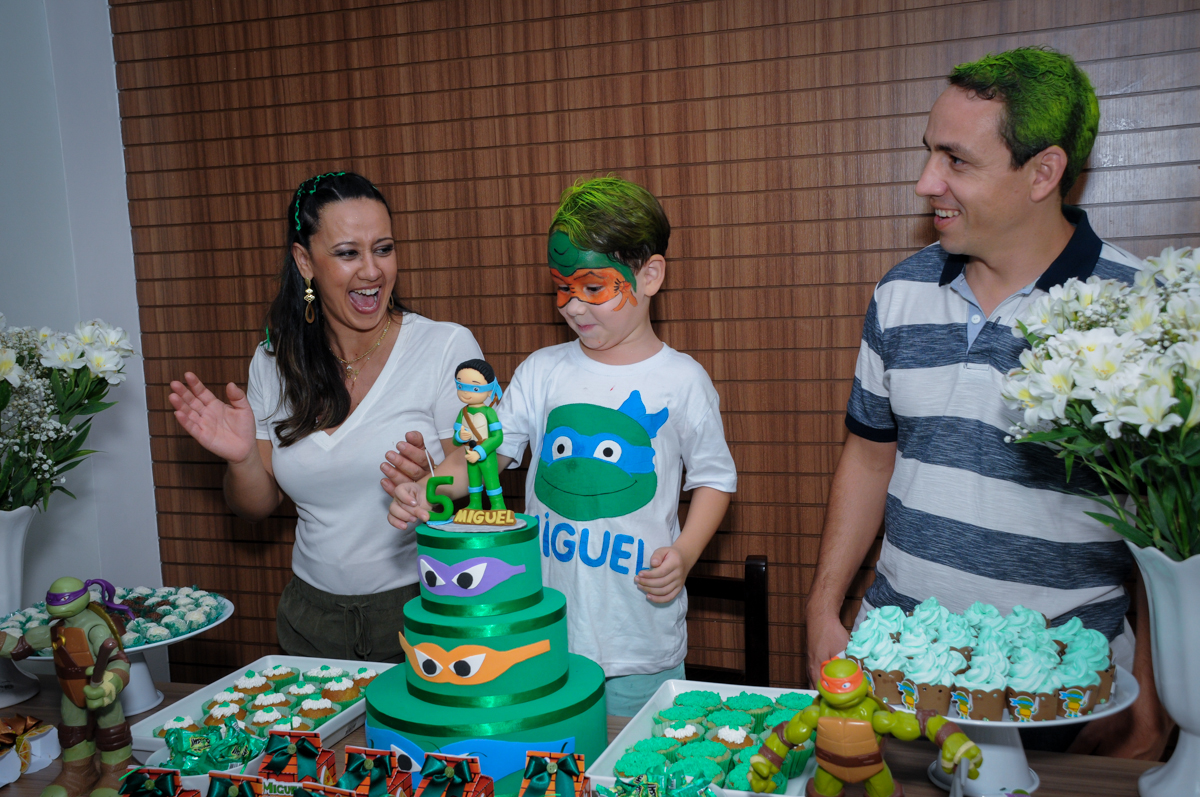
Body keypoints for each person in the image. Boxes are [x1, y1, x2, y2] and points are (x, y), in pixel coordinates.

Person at [805, 47, 1172, 757]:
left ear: (1044, 172)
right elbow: (869, 456)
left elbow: (1167, 532)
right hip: (898, 683)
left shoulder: (1138, 311)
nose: (925, 183)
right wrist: (825, 604)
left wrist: (1150, 703)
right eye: (928, 154)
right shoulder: (900, 293)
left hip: (1066, 700)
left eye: (956, 160)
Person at [386, 176, 738, 716]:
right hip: (542, 637)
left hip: (638, 644)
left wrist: (685, 554)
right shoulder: (541, 371)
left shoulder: (684, 381)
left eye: (592, 287)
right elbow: (485, 455)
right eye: (562, 286)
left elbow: (714, 478)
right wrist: (428, 487)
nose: (572, 306)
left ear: (648, 276)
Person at [169, 171, 482, 662]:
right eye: (347, 253)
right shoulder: (273, 362)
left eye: (383, 248)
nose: (372, 271)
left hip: (426, 608)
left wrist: (434, 481)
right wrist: (240, 458)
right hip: (310, 619)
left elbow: (488, 458)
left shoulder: (443, 346)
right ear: (304, 261)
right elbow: (255, 506)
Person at [0, 578, 132, 797]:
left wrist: (110, 683)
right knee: (72, 732)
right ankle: (78, 773)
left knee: (112, 732)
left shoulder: (95, 628)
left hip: (100, 692)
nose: (57, 603)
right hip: (70, 692)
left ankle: (116, 772)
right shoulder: (56, 629)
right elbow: (19, 647)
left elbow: (119, 660)